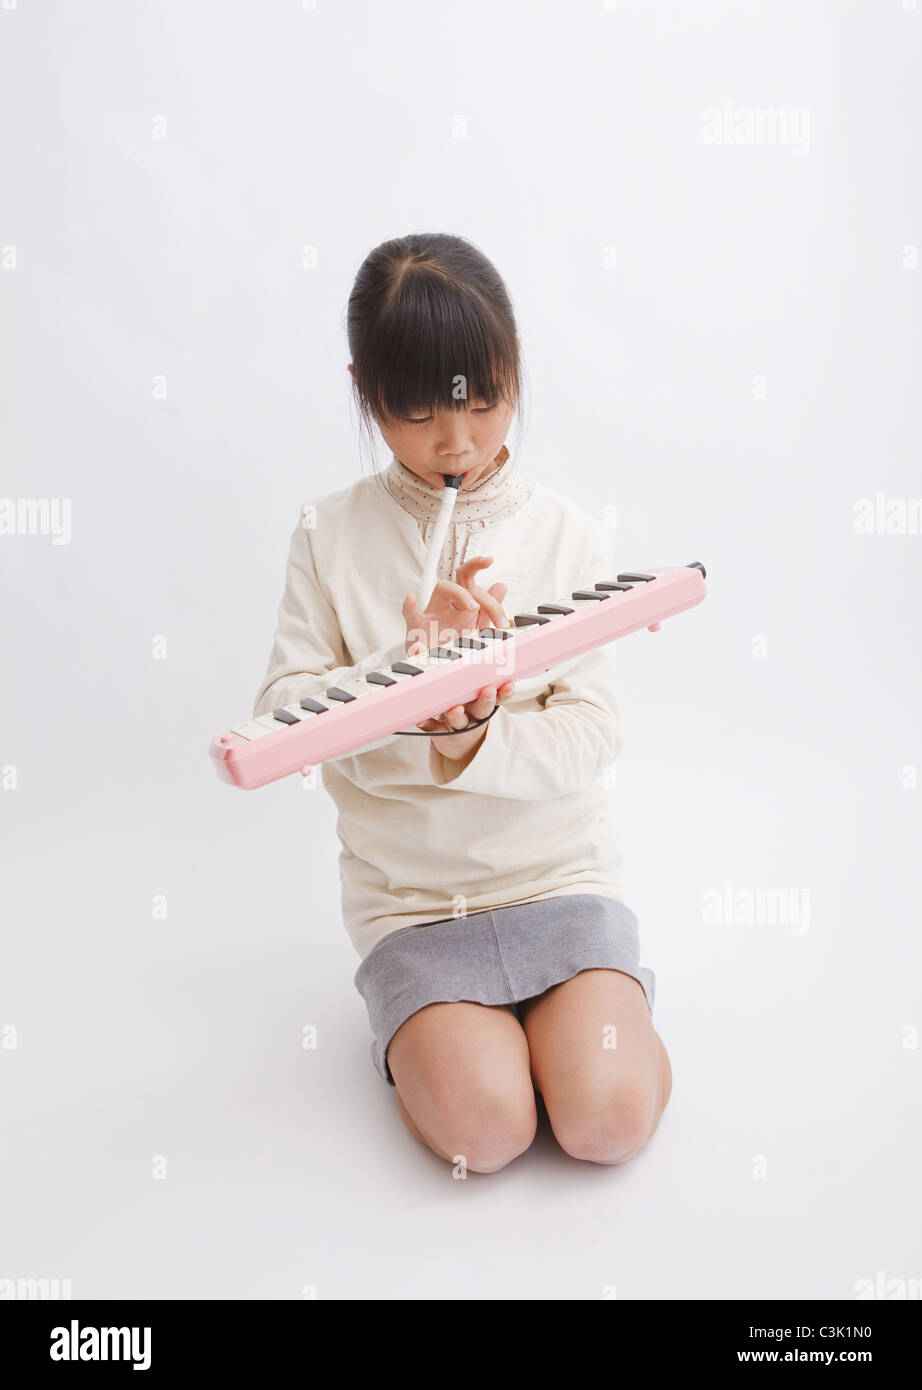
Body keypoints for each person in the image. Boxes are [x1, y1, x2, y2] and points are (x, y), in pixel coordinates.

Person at [253, 232, 671, 1173]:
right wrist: (411, 671)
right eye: (415, 412)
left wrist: (477, 724)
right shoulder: (330, 533)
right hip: (415, 904)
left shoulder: (566, 534)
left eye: (484, 401)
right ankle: (459, 1043)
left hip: (555, 880)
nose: (457, 440)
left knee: (605, 1125)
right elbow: (284, 711)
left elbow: (594, 733)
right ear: (365, 390)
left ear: (513, 368)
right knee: (487, 1135)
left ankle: (591, 1029)